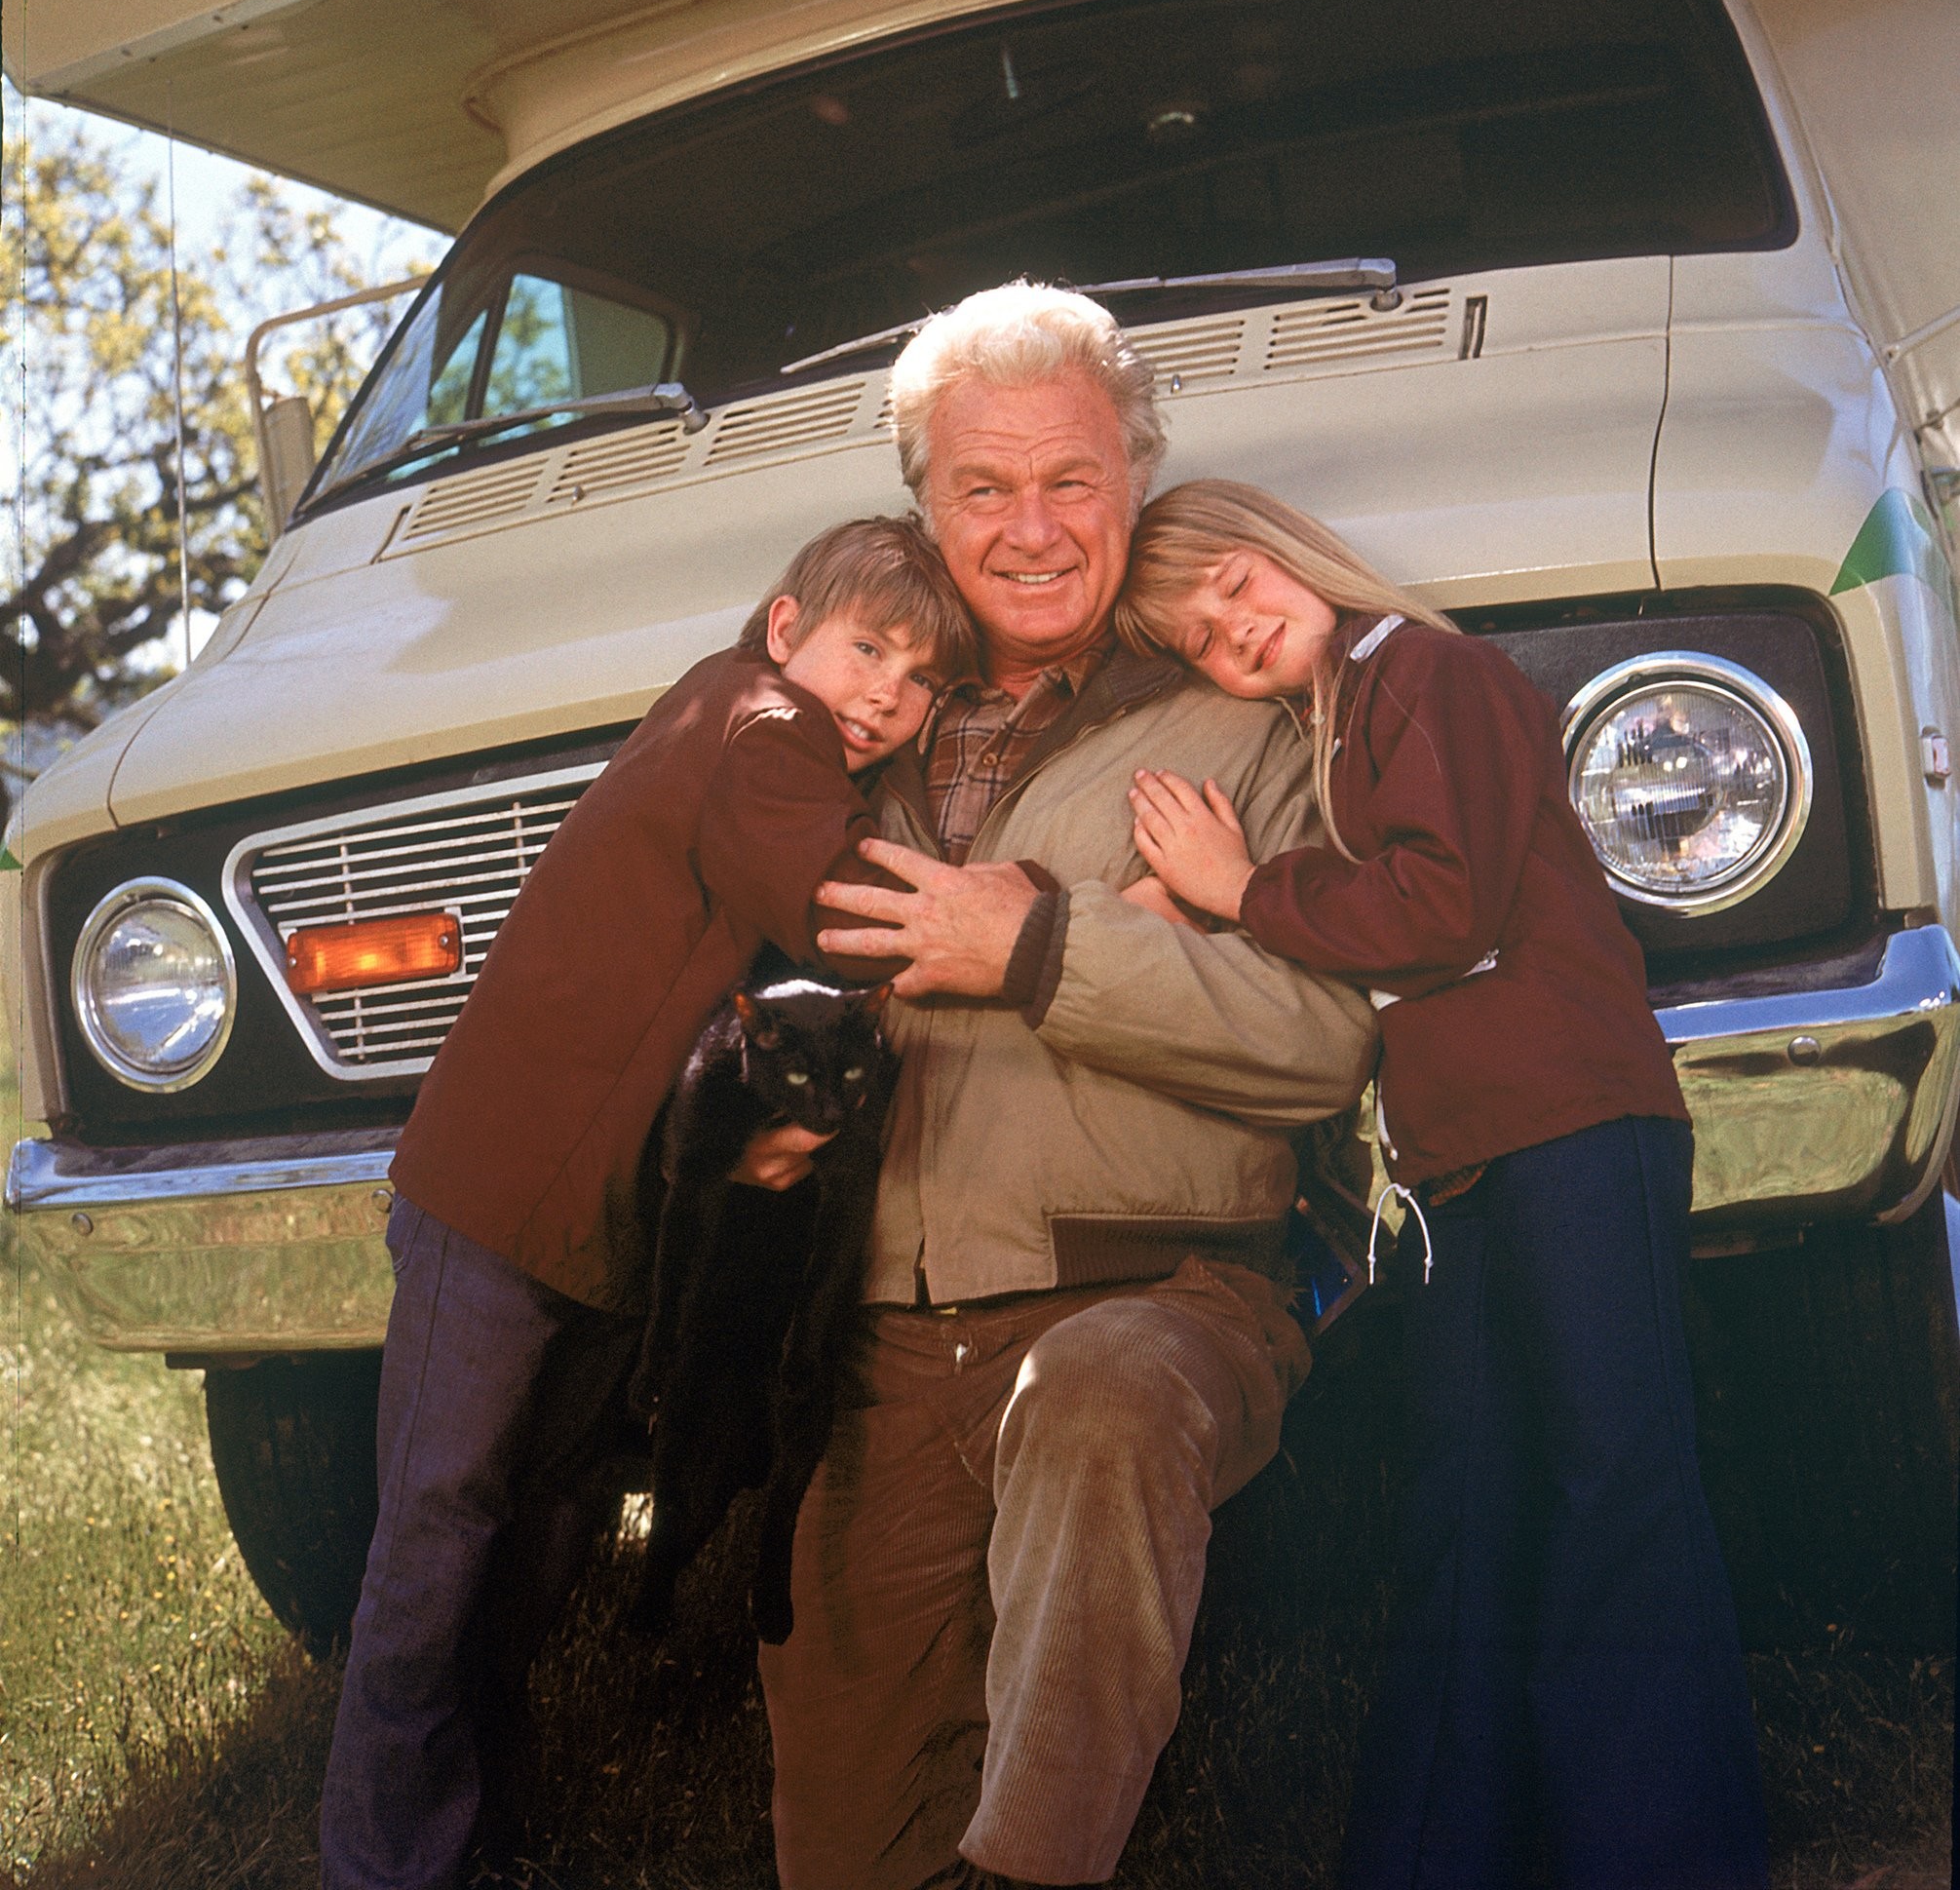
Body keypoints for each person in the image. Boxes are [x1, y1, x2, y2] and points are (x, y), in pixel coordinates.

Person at [754, 285, 1378, 1890]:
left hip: (1164, 1294)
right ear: (922, 508)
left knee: (1095, 1403)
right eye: (983, 487)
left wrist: (1044, 947)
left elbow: (1325, 1040)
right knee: (841, 1843)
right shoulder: (845, 722)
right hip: (883, 1334)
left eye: (1072, 481)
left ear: (1137, 483)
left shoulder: (1236, 713)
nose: (1032, 529)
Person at [1115, 477, 1769, 1890]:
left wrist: (1238, 889)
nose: (1233, 631)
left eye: (1233, 585)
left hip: (1580, 1119)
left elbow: (1441, 908)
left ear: (1284, 550)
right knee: (1464, 1498)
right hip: (1460, 1162)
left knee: (1616, 1488)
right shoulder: (1330, 725)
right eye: (1197, 640)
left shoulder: (1434, 672)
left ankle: (1658, 1858)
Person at [318, 516, 975, 1890]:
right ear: (787, 625)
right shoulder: (761, 724)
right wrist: (999, 919)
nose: (886, 695)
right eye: (869, 648)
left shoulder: (744, 722)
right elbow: (835, 899)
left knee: (536, 1529)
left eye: (919, 680)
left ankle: (484, 1826)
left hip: (601, 1213)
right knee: (439, 1526)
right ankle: (381, 1860)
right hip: (499, 1195)